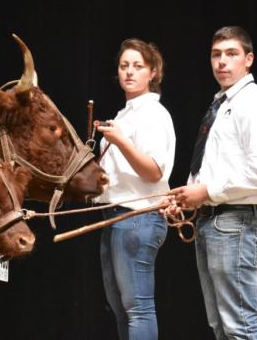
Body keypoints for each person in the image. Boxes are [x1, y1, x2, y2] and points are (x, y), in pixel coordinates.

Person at [168, 26, 257, 339]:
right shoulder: (221, 103)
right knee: (220, 325)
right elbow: (217, 163)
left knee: (239, 326)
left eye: (231, 54)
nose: (222, 62)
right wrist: (187, 196)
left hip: (237, 221)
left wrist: (205, 191)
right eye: (216, 54)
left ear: (248, 60)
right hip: (212, 219)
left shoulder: (256, 102)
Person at [95, 38, 176, 340]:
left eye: (138, 66)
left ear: (153, 72)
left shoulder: (154, 114)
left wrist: (121, 141)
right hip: (116, 215)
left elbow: (154, 172)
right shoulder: (124, 114)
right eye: (124, 66)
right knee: (120, 307)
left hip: (139, 215)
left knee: (137, 308)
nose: (129, 72)